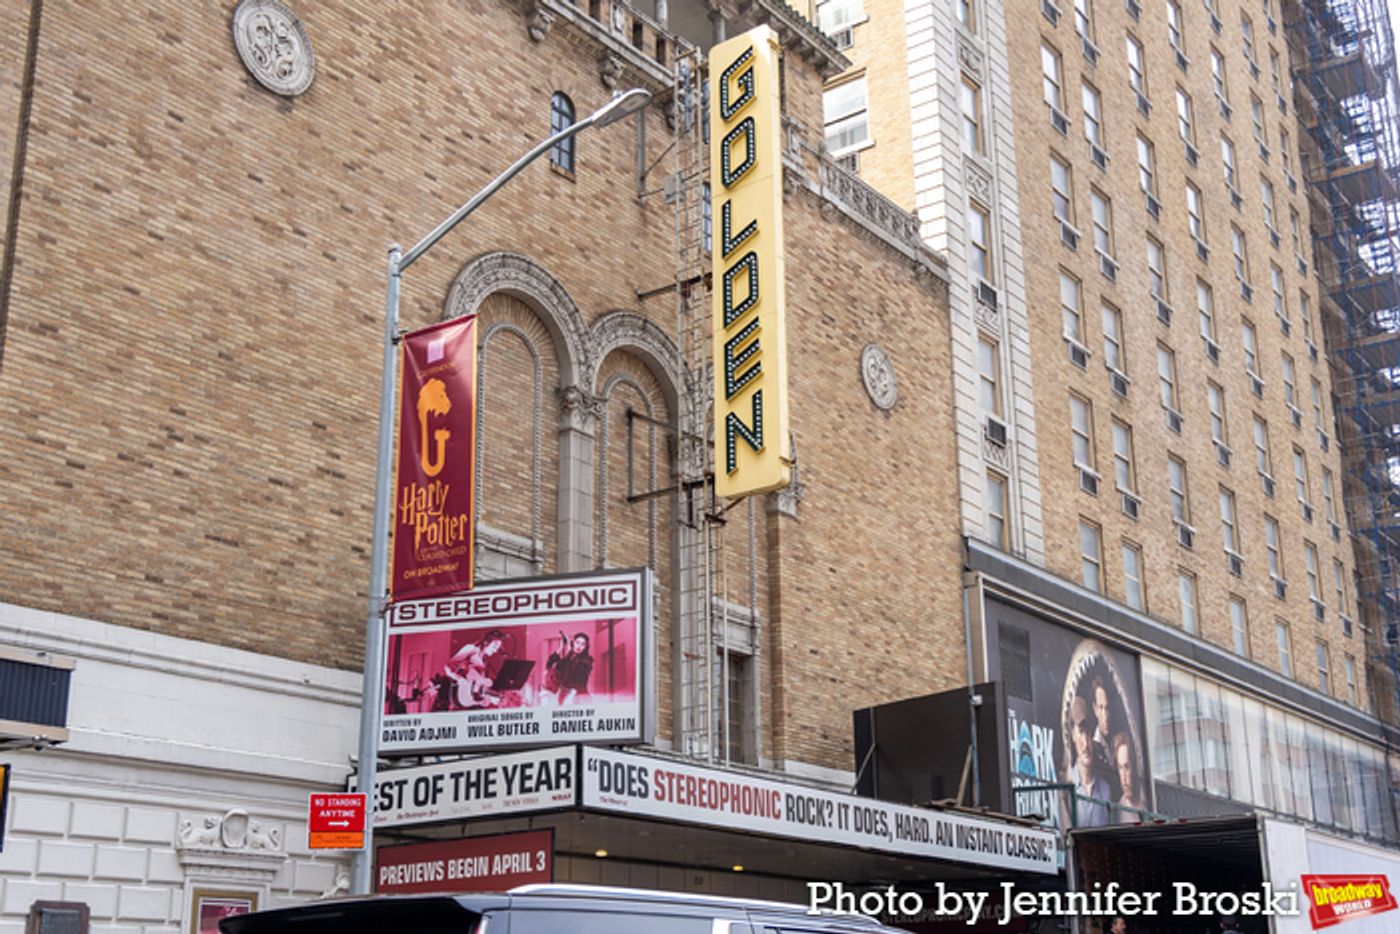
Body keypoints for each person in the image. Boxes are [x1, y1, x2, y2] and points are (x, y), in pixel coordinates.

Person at [1070, 695, 1110, 827]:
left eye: (1089, 734)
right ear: (1073, 735)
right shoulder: (1066, 788)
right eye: (1081, 732)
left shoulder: (1105, 789)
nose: (1086, 744)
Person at [444, 629, 506, 708]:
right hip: (462, 694)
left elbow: (478, 684)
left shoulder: (485, 661)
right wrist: (460, 679)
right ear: (486, 642)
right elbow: (448, 666)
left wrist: (491, 696)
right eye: (494, 646)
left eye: (498, 648)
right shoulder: (471, 649)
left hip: (472, 699)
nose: (496, 650)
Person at [544, 631, 594, 705]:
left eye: (582, 644)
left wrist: (569, 650)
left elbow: (575, 668)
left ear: (586, 647)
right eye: (577, 642)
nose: (579, 646)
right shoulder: (568, 659)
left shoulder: (588, 660)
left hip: (580, 699)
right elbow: (549, 665)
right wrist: (560, 648)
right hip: (564, 698)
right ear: (573, 643)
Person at [1091, 676, 1120, 800]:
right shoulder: (1092, 749)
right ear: (1095, 709)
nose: (1105, 716)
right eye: (1101, 708)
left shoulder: (1119, 741)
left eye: (1107, 708)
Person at [1112, 732, 1146, 823]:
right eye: (1120, 768)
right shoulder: (1118, 811)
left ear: (1134, 767)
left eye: (1127, 767)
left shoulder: (1148, 798)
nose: (1123, 776)